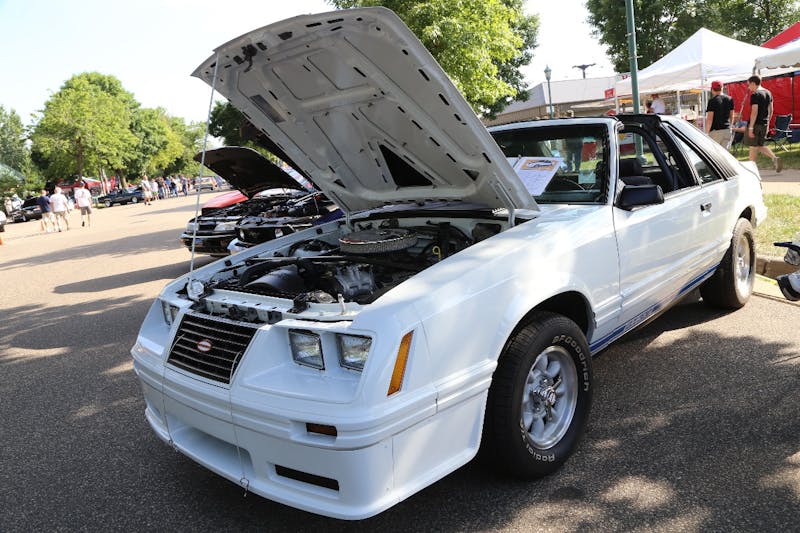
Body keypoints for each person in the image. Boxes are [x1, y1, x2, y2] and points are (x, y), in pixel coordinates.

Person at [744, 75, 782, 172]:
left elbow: (754, 112)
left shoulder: (755, 94)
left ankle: (751, 171)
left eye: (749, 85)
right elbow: (771, 109)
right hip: (764, 124)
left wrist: (751, 128)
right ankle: (774, 158)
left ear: (753, 83)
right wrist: (768, 123)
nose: (748, 88)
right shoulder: (768, 92)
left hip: (755, 125)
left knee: (753, 146)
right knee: (760, 145)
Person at [705, 80, 735, 149]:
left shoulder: (712, 101)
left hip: (715, 131)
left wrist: (706, 133)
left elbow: (709, 119)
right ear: (722, 88)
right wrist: (730, 127)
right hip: (727, 130)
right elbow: (732, 115)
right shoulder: (730, 99)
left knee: (714, 154)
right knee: (725, 154)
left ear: (712, 89)